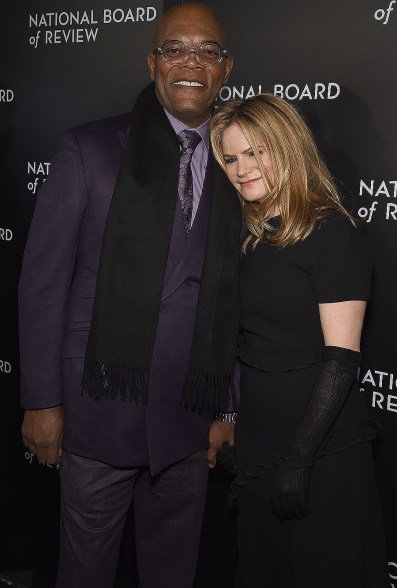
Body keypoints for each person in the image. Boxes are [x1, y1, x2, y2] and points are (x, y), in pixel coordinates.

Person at [18, 4, 241, 587]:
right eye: (175, 48)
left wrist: (224, 408)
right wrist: (41, 401)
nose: (191, 62)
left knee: (173, 576)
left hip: (188, 424)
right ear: (152, 62)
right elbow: (42, 285)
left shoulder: (242, 163)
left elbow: (237, 301)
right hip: (96, 414)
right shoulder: (88, 149)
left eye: (207, 51)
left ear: (225, 68)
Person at [210, 94, 389, 587]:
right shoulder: (249, 233)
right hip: (260, 445)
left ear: (288, 149)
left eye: (256, 152)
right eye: (230, 157)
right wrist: (231, 420)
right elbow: (242, 344)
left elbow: (341, 358)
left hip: (319, 448)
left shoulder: (332, 232)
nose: (243, 168)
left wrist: (299, 458)